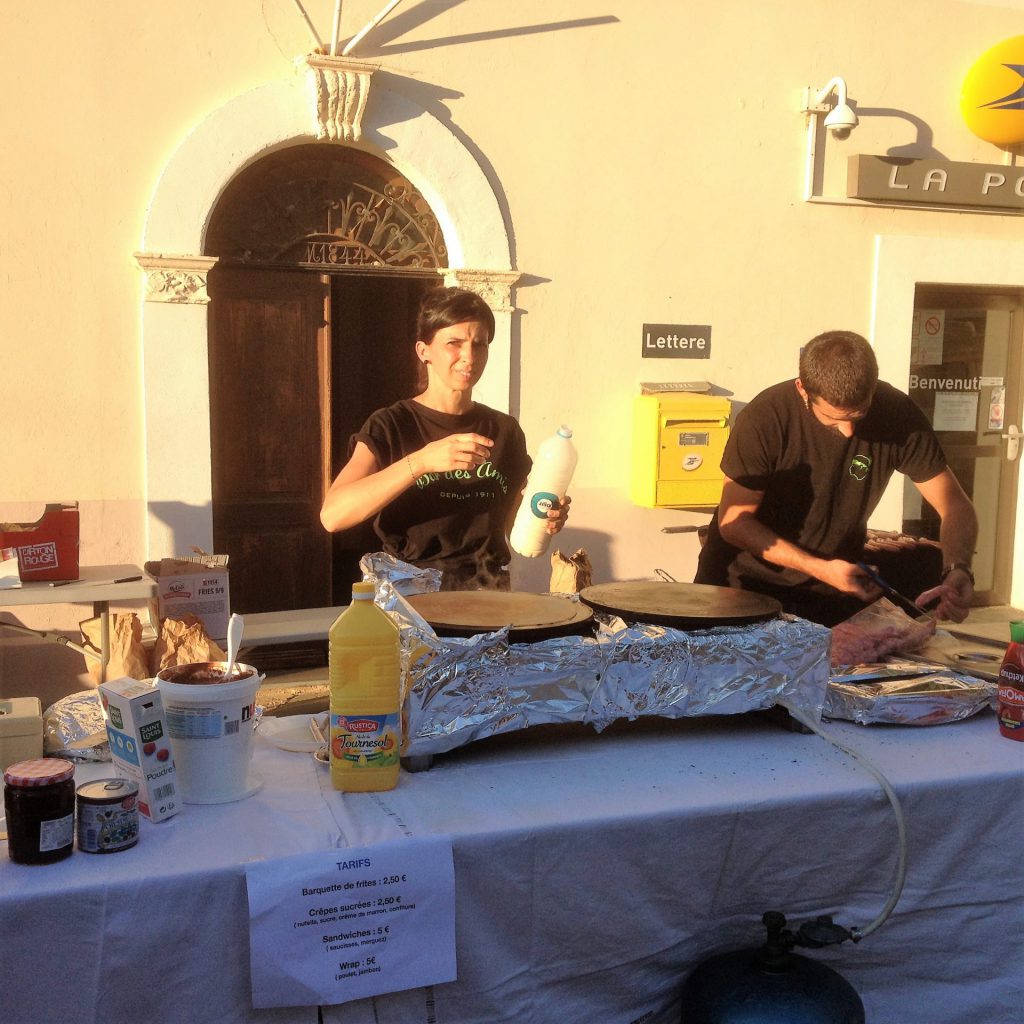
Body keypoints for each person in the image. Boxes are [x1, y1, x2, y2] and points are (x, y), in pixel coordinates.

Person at [694, 330, 978, 626]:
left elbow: (954, 505)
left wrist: (957, 567)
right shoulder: (765, 418)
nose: (849, 432)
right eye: (833, 418)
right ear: (803, 389)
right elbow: (735, 523)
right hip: (742, 588)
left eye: (859, 415)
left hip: (828, 593)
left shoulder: (897, 414)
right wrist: (820, 568)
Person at [320, 286, 570, 590]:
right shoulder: (391, 425)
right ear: (424, 351)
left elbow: (511, 526)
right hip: (410, 597)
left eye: (480, 344)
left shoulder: (504, 430)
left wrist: (545, 517)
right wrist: (422, 461)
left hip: (486, 594)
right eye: (455, 343)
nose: (469, 356)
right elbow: (333, 515)